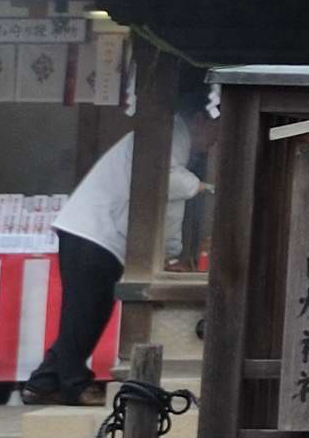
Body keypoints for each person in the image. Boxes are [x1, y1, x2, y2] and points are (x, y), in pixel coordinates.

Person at [10, 132, 202, 410]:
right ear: (200, 119)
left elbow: (169, 205)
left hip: (97, 234)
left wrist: (170, 253)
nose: (213, 140)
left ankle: (43, 383)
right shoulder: (172, 132)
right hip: (93, 232)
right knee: (84, 313)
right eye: (214, 128)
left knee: (90, 312)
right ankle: (73, 385)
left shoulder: (180, 144)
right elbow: (166, 179)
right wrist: (200, 186)